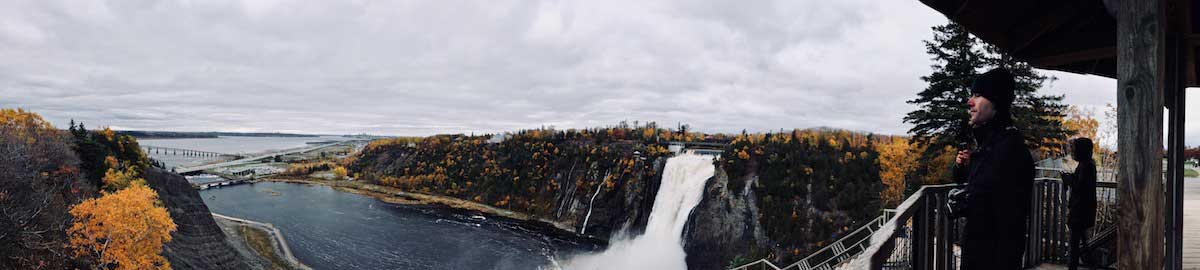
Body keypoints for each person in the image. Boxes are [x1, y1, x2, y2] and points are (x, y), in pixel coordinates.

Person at [952, 68, 1035, 269]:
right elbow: (976, 185)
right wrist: (961, 167)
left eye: (978, 95)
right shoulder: (990, 146)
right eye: (971, 95)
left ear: (995, 101)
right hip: (979, 256)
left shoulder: (1009, 151)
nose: (969, 102)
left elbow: (1010, 224)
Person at [1063, 138, 1096, 270]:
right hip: (1085, 211)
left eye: (1075, 149)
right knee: (1082, 242)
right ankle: (1092, 264)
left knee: (1074, 244)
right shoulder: (1089, 164)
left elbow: (1079, 187)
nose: (1072, 151)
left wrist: (1068, 179)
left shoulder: (1085, 166)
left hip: (1079, 212)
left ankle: (1074, 266)